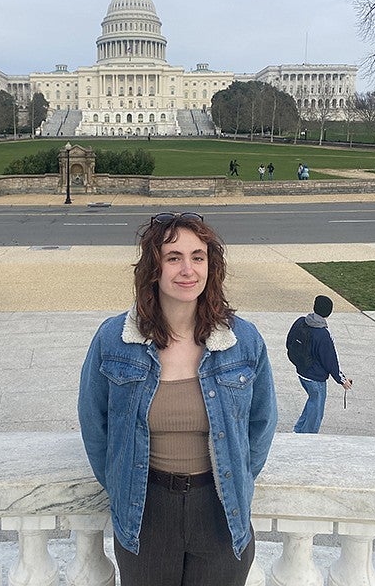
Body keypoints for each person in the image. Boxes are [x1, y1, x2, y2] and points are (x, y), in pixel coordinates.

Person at [78, 213, 277, 586]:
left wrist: (240, 476)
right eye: (173, 258)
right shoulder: (114, 340)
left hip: (219, 507)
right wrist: (121, 483)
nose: (188, 269)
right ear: (154, 268)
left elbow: (262, 422)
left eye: (197, 257)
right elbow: (94, 422)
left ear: (210, 265)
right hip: (145, 509)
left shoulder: (243, 341)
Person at [287, 295, 352, 434]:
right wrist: (342, 380)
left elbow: (289, 342)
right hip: (315, 377)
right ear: (329, 312)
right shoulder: (323, 334)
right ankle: (308, 437)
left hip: (301, 371)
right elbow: (331, 361)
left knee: (313, 400)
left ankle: (299, 430)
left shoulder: (299, 322)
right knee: (317, 409)